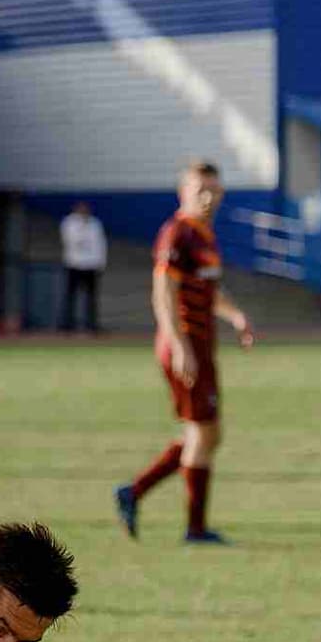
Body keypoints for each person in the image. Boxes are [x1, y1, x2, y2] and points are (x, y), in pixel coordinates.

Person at [115, 161, 256, 545]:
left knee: (205, 434)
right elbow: (163, 293)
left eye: (214, 190)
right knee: (203, 432)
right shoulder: (177, 233)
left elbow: (210, 292)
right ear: (184, 193)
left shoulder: (204, 235)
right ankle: (193, 528)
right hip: (185, 344)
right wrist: (181, 347)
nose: (208, 198)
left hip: (200, 344)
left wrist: (236, 315)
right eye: (200, 190)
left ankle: (135, 492)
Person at [59, 200, 106, 334]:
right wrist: (82, 227)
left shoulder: (95, 224)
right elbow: (71, 241)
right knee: (70, 296)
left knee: (91, 298)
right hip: (74, 264)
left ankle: (91, 325)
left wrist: (101, 263)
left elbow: (101, 245)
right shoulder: (69, 223)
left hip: (91, 265)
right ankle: (67, 324)